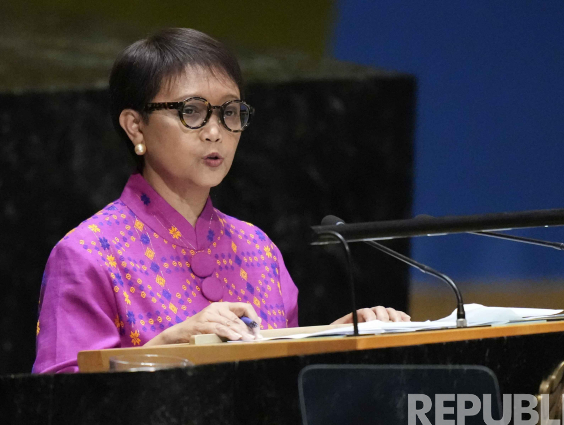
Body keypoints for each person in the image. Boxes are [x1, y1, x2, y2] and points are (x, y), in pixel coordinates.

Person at [32, 28, 410, 374]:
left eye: (230, 112)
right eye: (191, 112)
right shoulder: (88, 254)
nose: (215, 132)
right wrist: (166, 347)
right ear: (136, 126)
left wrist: (333, 343)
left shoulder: (258, 250)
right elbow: (60, 406)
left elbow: (281, 385)